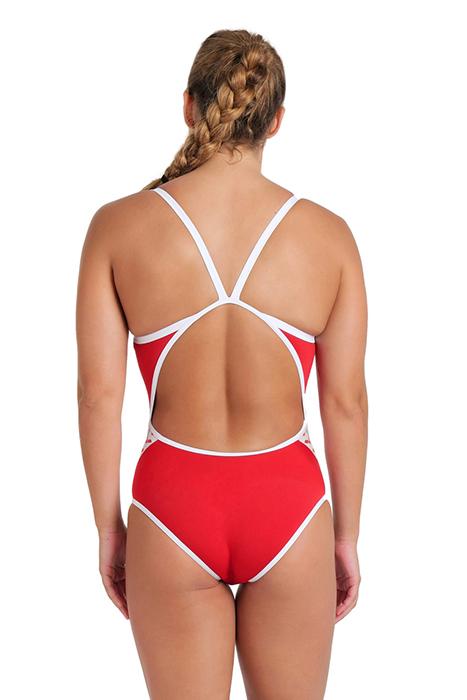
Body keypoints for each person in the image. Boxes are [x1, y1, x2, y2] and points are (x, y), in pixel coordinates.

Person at [76, 28, 368, 700]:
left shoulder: (116, 227)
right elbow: (345, 403)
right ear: (277, 120)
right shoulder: (329, 237)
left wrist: (109, 527)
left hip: (171, 506)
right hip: (289, 507)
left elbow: (98, 396)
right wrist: (346, 536)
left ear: (189, 105)